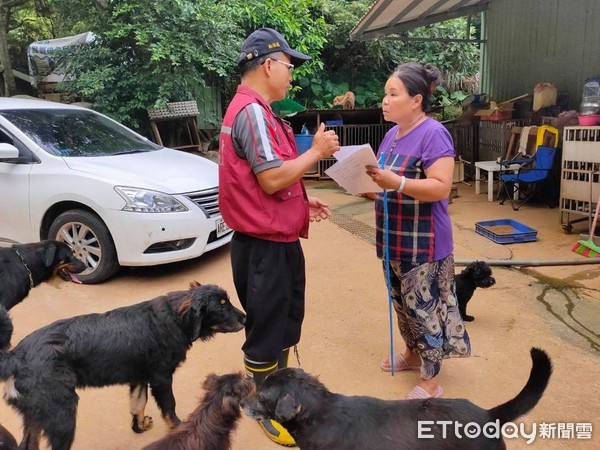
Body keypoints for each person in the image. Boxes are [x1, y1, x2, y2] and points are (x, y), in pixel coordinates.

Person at [218, 27, 340, 446]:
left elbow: (261, 185)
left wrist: (301, 206)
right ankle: (262, 405)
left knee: (284, 323)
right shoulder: (251, 111)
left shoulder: (260, 111)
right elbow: (270, 179)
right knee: (266, 330)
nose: (292, 74)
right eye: (289, 66)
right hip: (263, 248)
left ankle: (278, 390)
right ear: (268, 65)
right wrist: (317, 152)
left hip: (278, 241)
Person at [365, 62, 471, 400]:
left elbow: (440, 187)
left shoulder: (434, 133)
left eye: (393, 94)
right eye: (385, 93)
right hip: (394, 237)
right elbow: (388, 185)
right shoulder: (391, 135)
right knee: (402, 304)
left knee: (425, 309)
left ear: (416, 100)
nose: (385, 100)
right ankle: (412, 354)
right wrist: (364, 183)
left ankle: (431, 378)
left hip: (425, 242)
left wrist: (395, 182)